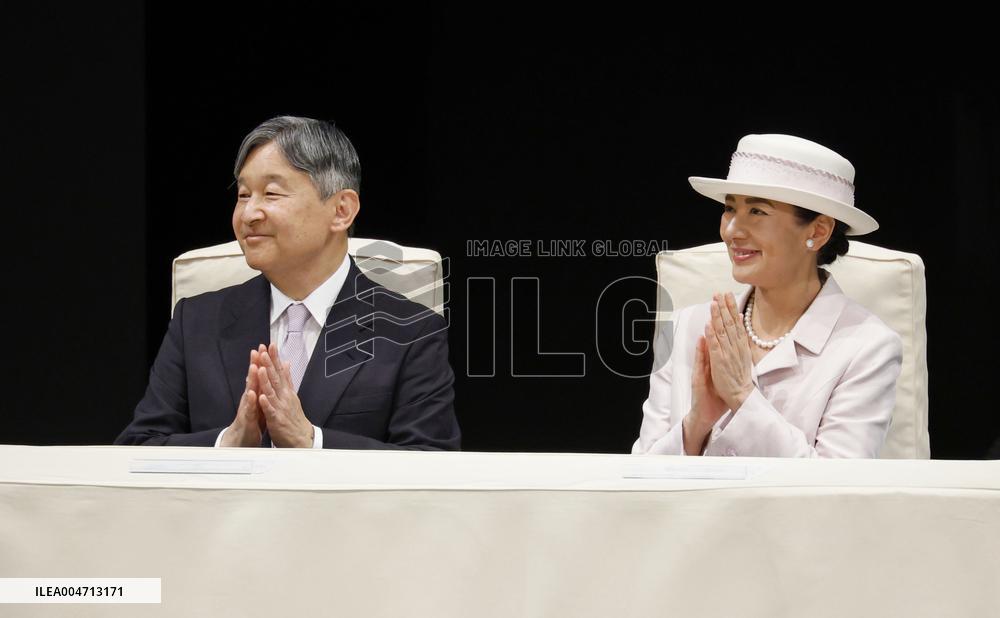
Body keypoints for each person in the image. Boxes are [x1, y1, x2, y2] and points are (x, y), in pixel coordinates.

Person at [116, 116, 460, 450]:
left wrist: (311, 441)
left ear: (341, 210)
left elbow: (432, 461)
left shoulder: (410, 332)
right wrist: (228, 442)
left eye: (271, 193)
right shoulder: (195, 321)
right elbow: (137, 446)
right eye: (243, 195)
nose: (249, 214)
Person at [633, 134, 901, 458]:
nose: (731, 231)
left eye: (757, 211)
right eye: (729, 208)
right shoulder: (684, 327)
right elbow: (642, 476)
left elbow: (837, 483)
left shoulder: (868, 347)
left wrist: (742, 396)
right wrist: (697, 422)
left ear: (818, 231)